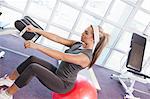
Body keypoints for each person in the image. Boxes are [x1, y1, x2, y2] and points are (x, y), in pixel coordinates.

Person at [0, 24, 109, 99]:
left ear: (93, 39)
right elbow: (58, 39)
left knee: (33, 68)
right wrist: (37, 30)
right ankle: (9, 80)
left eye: (86, 33)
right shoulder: (79, 45)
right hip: (58, 73)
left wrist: (37, 46)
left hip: (62, 84)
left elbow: (61, 56)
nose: (82, 33)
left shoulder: (85, 57)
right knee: (33, 59)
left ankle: (7, 94)